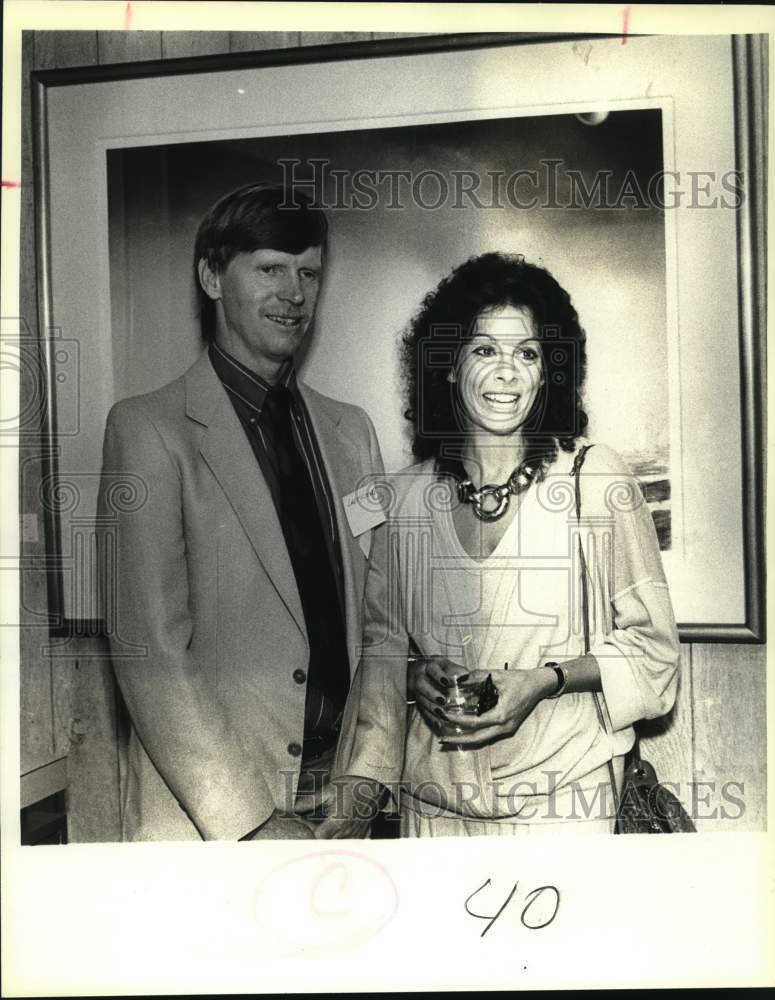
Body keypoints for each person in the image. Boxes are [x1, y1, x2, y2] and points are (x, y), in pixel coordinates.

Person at [318, 252, 680, 838]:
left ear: (548, 373)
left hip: (564, 810)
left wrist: (544, 681)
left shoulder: (596, 479)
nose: (507, 372)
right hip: (431, 818)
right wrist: (415, 677)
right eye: (485, 349)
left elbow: (656, 656)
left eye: (527, 353)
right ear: (449, 366)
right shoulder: (400, 500)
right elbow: (379, 656)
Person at [97, 183, 383, 841]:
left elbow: (381, 618)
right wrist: (249, 822)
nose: (294, 292)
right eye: (269, 269)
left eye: (308, 272)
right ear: (212, 277)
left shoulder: (351, 432)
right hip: (216, 823)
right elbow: (150, 652)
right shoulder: (147, 431)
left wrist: (370, 773)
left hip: (341, 812)